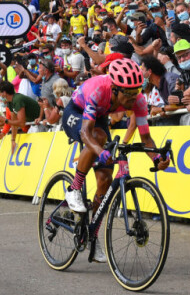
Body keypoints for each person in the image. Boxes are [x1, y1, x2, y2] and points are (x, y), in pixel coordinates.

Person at [61, 58, 170, 263]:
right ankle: (74, 188)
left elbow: (145, 137)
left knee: (104, 179)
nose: (132, 99)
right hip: (75, 112)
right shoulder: (99, 90)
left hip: (100, 115)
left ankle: (92, 234)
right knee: (99, 139)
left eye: (136, 92)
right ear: (114, 87)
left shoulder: (138, 101)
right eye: (127, 94)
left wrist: (157, 158)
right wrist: (99, 151)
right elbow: (86, 133)